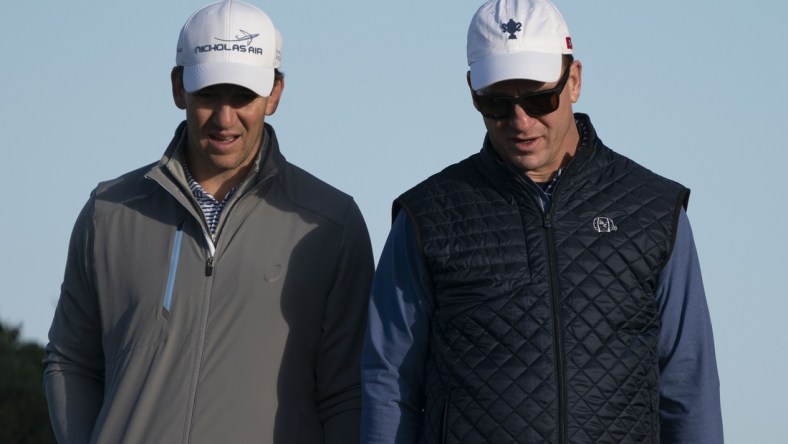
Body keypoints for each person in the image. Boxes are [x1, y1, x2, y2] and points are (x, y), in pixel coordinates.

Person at [361, 0, 723, 443]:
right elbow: (388, 383)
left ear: (574, 81)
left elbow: (689, 384)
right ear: (472, 90)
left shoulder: (653, 208)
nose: (520, 119)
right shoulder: (426, 216)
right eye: (497, 103)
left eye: (538, 97)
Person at [43, 1, 374, 442]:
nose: (224, 118)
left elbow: (347, 392)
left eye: (242, 97)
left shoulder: (331, 224)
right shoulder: (109, 212)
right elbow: (70, 361)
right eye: (208, 95)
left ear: (275, 94)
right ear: (179, 88)